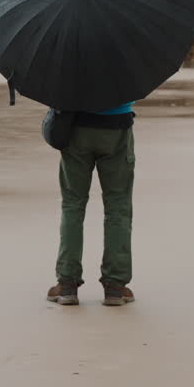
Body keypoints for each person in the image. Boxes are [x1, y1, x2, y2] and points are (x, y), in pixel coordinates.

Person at [45, 101, 136, 307]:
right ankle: (115, 286)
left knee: (72, 205)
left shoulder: (68, 66)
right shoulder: (124, 66)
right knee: (118, 207)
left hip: (77, 128)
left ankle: (67, 284)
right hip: (117, 127)